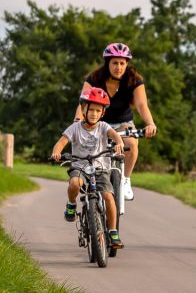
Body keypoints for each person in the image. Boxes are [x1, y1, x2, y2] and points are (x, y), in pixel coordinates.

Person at [77, 42, 158, 201]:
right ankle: (88, 180)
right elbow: (82, 105)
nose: (118, 67)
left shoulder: (134, 80)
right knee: (89, 151)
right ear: (108, 63)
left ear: (127, 64)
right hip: (99, 124)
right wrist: (78, 122)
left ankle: (126, 180)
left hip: (123, 123)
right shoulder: (94, 79)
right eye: (115, 63)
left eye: (122, 63)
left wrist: (150, 123)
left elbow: (142, 105)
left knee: (132, 143)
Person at [51, 87, 126, 248]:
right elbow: (61, 142)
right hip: (80, 167)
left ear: (102, 113)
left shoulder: (104, 127)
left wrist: (119, 143)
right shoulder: (75, 128)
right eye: (90, 109)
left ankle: (113, 232)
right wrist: (56, 153)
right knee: (75, 184)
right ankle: (71, 203)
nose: (94, 113)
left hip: (100, 168)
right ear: (83, 110)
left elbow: (115, 135)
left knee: (108, 197)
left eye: (98, 110)